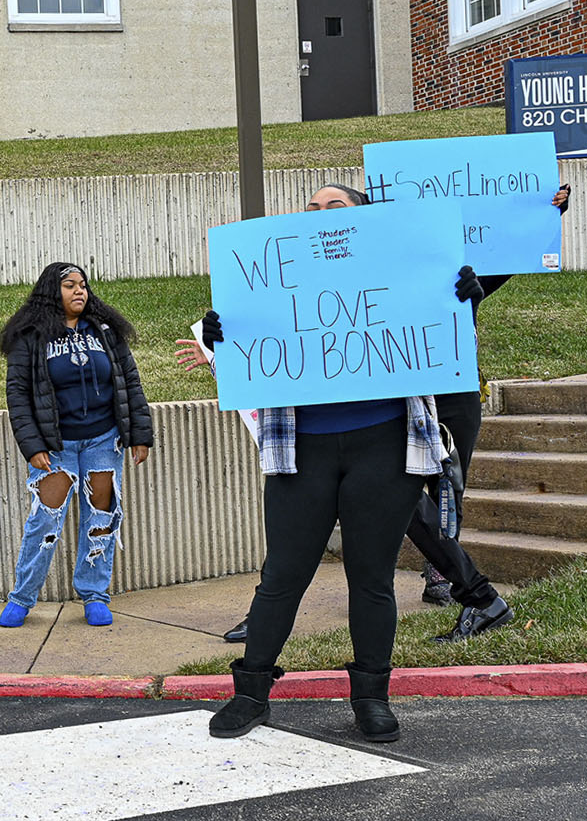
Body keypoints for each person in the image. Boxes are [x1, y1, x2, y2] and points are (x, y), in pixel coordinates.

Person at [198, 186, 479, 743]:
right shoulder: (275, 274)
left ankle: (371, 697)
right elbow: (255, 353)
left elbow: (441, 339)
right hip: (300, 449)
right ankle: (251, 692)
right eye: (312, 208)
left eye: (337, 208)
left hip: (386, 444)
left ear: (366, 221)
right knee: (282, 575)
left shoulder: (412, 270)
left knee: (370, 578)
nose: (321, 215)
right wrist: (221, 341)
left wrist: (462, 300)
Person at [415, 185, 571, 644]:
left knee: (447, 481)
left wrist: (546, 214)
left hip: (455, 391)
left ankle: (443, 572)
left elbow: (512, 251)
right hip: (399, 394)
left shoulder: (464, 273)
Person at [0, 262, 153, 629]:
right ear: (54, 292)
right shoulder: (31, 336)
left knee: (102, 516)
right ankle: (22, 598)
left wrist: (140, 435)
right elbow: (17, 394)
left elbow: (129, 380)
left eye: (83, 285)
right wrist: (33, 445)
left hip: (103, 439)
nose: (79, 291)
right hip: (56, 447)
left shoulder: (104, 331)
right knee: (44, 520)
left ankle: (95, 594)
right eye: (70, 285)